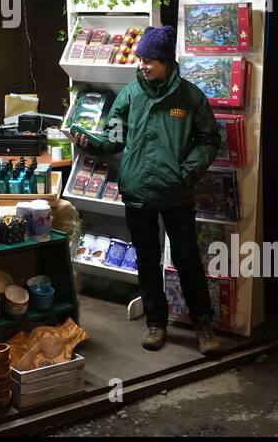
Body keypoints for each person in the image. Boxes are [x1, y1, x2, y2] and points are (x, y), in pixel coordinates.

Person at [71, 25, 223, 355]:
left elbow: (210, 140)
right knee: (147, 259)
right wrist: (90, 142)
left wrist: (186, 172)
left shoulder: (190, 96)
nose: (143, 65)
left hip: (176, 193)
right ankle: (156, 323)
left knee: (187, 260)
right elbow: (114, 138)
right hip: (138, 192)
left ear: (167, 61)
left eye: (150, 60)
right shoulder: (129, 96)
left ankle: (203, 324)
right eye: (141, 58)